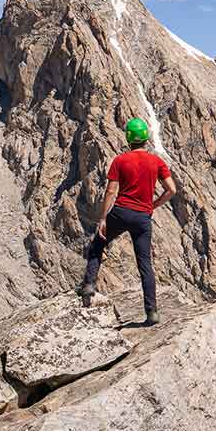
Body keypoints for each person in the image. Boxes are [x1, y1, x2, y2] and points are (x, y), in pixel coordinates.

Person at [79, 117, 176, 324]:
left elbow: (111, 191)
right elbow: (171, 190)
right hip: (142, 218)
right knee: (145, 264)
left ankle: (88, 285)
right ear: (146, 138)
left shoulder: (120, 160)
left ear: (129, 138)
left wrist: (103, 218)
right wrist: (153, 205)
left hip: (121, 212)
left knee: (98, 243)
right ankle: (151, 312)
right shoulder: (157, 162)